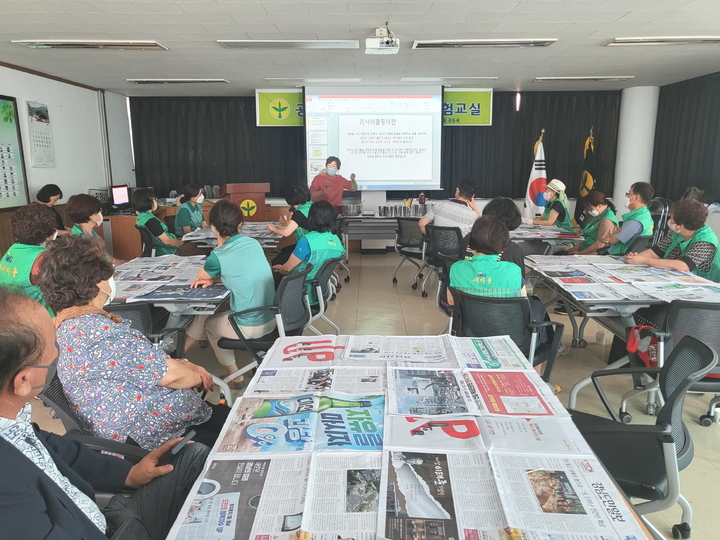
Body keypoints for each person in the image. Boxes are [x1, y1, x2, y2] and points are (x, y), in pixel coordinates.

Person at [0, 287, 210, 540]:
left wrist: (128, 474)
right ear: (23, 381)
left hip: (105, 520)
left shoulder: (12, 422)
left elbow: (56, 448)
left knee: (193, 454)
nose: (60, 353)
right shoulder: (8, 490)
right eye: (52, 352)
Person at [38, 234, 228, 450]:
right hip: (157, 435)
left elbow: (143, 366)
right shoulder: (102, 334)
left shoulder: (65, 327)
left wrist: (185, 364)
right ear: (94, 282)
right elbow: (174, 377)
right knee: (243, 429)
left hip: (136, 426)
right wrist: (198, 373)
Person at [447, 216, 561, 384]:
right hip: (512, 340)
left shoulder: (456, 268)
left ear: (471, 243)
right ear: (502, 245)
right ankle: (536, 380)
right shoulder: (512, 271)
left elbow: (452, 305)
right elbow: (522, 305)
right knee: (538, 309)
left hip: (471, 334)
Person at [184, 200, 277, 387]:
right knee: (206, 314)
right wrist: (215, 279)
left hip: (249, 324)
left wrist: (219, 244)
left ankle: (235, 375)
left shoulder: (218, 255)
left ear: (213, 228)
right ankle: (178, 353)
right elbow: (241, 272)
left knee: (209, 323)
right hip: (273, 318)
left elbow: (201, 274)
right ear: (240, 224)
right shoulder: (253, 243)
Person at [625, 198, 720, 283]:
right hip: (672, 279)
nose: (670, 220)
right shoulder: (676, 233)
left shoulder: (706, 240)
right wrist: (635, 258)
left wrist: (645, 260)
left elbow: (683, 265)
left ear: (680, 226)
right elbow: (655, 252)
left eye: (672, 218)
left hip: (701, 284)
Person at [272, 200, 346, 303]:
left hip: (300, 291)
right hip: (319, 291)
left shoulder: (307, 240)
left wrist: (280, 269)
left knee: (270, 275)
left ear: (311, 218)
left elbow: (288, 269)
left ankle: (272, 311)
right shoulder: (336, 240)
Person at [0, 203, 58, 313]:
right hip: (36, 317)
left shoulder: (13, 249)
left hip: (8, 312)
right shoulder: (43, 258)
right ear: (48, 231)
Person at [67, 193, 125, 266]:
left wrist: (118, 261)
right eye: (99, 211)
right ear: (91, 215)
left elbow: (105, 255)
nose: (100, 213)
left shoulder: (91, 232)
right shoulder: (79, 239)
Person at [268, 184, 313, 266]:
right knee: (285, 250)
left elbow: (286, 233)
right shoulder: (309, 206)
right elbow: (297, 225)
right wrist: (284, 225)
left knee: (277, 261)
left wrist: (274, 228)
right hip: (314, 244)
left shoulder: (299, 213)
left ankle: (286, 276)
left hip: (308, 247)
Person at [481, 197, 526, 280]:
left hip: (467, 290)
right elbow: (520, 281)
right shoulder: (513, 250)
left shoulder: (468, 239)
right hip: (502, 292)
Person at [133, 188, 185, 256]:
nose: (155, 201)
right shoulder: (151, 221)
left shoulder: (141, 217)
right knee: (197, 248)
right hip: (167, 251)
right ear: (147, 201)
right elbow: (166, 241)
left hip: (158, 249)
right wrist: (182, 243)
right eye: (154, 199)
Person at [606, 182, 655, 255]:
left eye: (629, 194)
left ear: (636, 197)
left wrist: (613, 234)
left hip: (620, 257)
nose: (627, 196)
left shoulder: (635, 221)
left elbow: (612, 240)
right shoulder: (646, 216)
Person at [567, 190, 618, 255]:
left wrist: (580, 253)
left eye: (590, 209)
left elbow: (600, 245)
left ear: (599, 206)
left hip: (593, 254)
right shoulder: (597, 216)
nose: (589, 211)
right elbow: (586, 237)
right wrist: (575, 248)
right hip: (585, 250)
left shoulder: (607, 220)